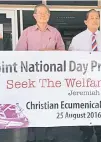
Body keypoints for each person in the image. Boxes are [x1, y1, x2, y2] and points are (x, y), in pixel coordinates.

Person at [15, 4, 65, 142]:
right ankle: (32, 138)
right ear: (35, 16)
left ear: (49, 16)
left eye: (46, 13)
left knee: (50, 106)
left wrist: (49, 53)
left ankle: (51, 137)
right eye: (40, 13)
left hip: (51, 79)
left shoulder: (55, 33)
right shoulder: (27, 32)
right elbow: (19, 54)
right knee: (32, 107)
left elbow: (63, 53)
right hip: (32, 78)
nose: (43, 16)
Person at [68, 9, 101, 142]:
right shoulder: (77, 39)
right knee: (85, 106)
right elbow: (70, 59)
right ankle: (86, 132)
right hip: (84, 81)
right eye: (92, 18)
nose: (95, 20)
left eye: (97, 18)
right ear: (86, 21)